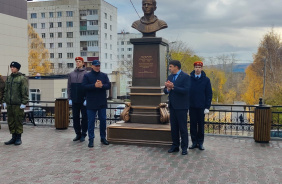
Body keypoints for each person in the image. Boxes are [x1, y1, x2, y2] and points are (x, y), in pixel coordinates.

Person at [82, 60, 111, 148]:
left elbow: (108, 86)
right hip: (91, 102)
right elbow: (83, 87)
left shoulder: (104, 75)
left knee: (103, 120)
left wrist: (102, 85)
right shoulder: (87, 75)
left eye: (99, 66)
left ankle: (103, 137)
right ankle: (91, 139)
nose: (98, 67)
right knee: (91, 121)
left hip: (102, 102)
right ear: (92, 66)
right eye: (96, 66)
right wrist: (94, 86)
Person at [164, 60, 190, 155]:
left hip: (182, 107)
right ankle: (175, 146)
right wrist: (167, 88)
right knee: (174, 127)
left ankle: (184, 148)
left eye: (171, 66)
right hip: (172, 106)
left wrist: (173, 87)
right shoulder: (170, 76)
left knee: (182, 128)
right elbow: (165, 90)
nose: (169, 68)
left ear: (176, 67)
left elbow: (186, 90)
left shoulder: (186, 76)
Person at [3, 61, 28, 145]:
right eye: (11, 67)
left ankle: (18, 138)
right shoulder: (9, 78)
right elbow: (5, 90)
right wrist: (4, 101)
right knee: (11, 121)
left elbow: (24, 91)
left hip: (18, 104)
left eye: (13, 67)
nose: (11, 68)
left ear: (17, 68)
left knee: (18, 121)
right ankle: (13, 137)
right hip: (9, 104)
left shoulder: (22, 78)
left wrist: (24, 102)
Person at [189, 61, 212, 151]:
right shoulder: (189, 79)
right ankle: (194, 142)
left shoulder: (206, 80)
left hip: (201, 107)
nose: (197, 69)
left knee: (201, 126)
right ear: (194, 68)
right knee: (192, 125)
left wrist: (207, 107)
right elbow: (187, 93)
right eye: (196, 67)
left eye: (199, 67)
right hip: (192, 106)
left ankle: (200, 143)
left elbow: (209, 94)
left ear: (202, 68)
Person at [67, 57, 88, 142]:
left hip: (83, 100)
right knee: (75, 117)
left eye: (79, 61)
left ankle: (83, 134)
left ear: (83, 63)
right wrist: (69, 98)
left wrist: (87, 98)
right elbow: (69, 87)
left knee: (84, 117)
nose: (78, 63)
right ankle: (77, 133)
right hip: (74, 99)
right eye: (76, 62)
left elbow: (87, 88)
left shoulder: (86, 74)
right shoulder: (71, 74)